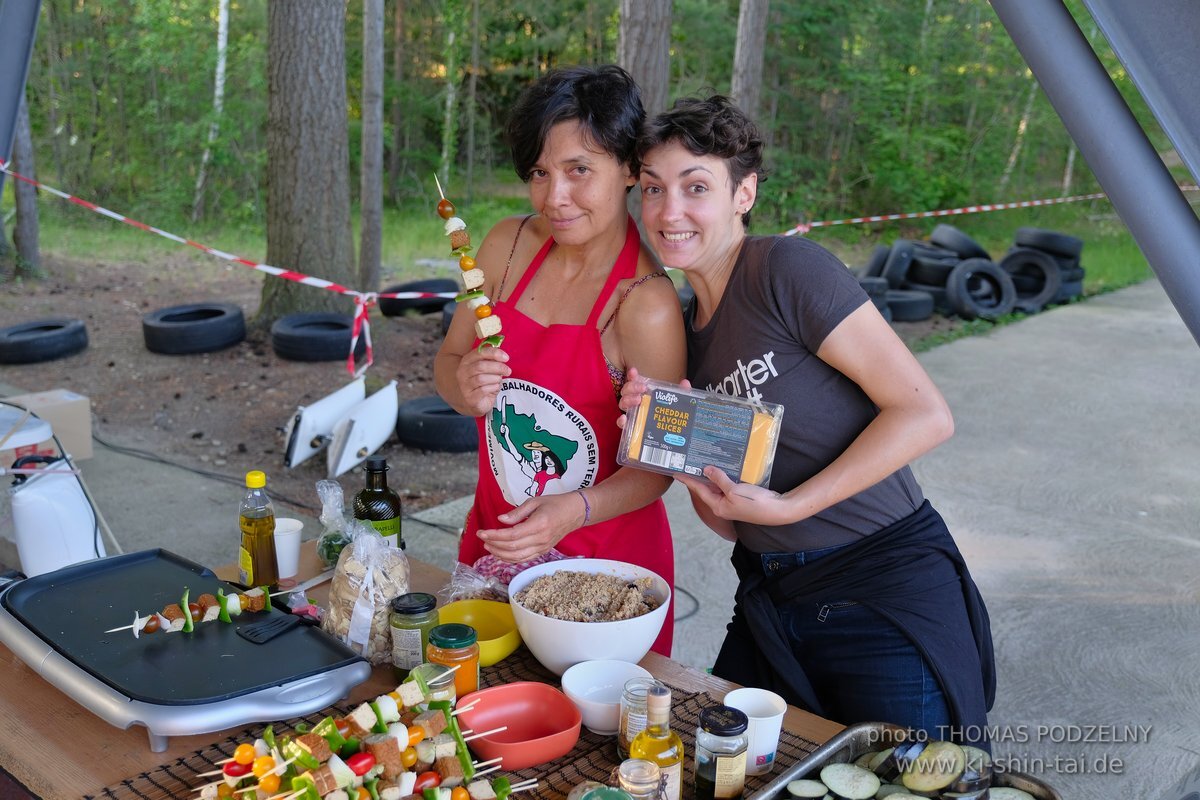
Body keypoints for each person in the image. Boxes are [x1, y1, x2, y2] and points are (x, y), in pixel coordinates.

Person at [623, 95, 995, 741]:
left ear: (745, 193)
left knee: (918, 783)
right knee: (734, 767)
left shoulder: (785, 271)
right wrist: (671, 445)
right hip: (773, 596)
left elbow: (925, 414)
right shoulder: (687, 332)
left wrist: (793, 507)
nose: (667, 210)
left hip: (878, 584)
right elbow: (731, 517)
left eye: (696, 187)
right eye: (653, 188)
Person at [434, 65, 686, 656]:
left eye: (579, 171)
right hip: (495, 542)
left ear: (628, 169)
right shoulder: (504, 247)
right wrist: (462, 384)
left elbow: (659, 468)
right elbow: (448, 363)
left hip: (603, 581)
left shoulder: (646, 305)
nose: (555, 198)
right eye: (541, 174)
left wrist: (572, 510)